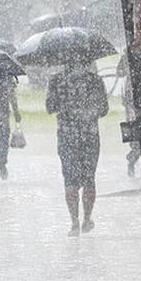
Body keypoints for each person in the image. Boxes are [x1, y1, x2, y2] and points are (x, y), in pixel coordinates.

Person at [45, 60, 109, 235]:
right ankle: (87, 219)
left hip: (67, 136)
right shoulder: (95, 80)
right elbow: (104, 109)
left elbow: (50, 108)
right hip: (90, 135)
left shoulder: (56, 80)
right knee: (89, 178)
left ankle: (74, 222)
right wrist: (87, 111)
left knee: (70, 180)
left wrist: (64, 105)